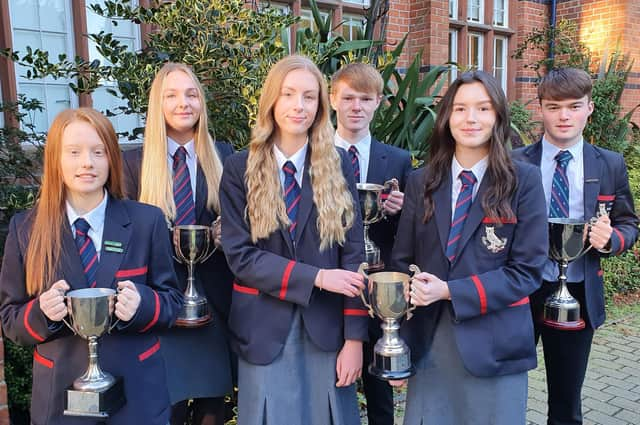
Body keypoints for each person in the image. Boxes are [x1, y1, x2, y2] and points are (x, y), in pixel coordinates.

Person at [0, 108, 182, 425]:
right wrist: (41, 313)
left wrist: (142, 304)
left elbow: (171, 302)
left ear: (111, 158)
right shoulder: (26, 230)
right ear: (56, 159)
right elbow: (10, 320)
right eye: (74, 152)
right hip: (61, 399)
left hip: (137, 396)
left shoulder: (145, 221)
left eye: (98, 152)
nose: (87, 162)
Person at [391, 71, 548, 424]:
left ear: (498, 117)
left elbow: (527, 272)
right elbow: (403, 263)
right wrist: (397, 343)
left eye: (483, 108)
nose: (471, 118)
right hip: (429, 344)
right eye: (460, 108)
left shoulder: (523, 181)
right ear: (447, 117)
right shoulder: (421, 181)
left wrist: (449, 291)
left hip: (494, 344)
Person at [219, 55, 368, 425]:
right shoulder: (240, 168)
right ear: (272, 99)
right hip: (263, 328)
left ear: (320, 105)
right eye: (288, 94)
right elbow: (240, 257)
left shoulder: (337, 163)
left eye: (309, 96)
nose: (298, 106)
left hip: (327, 329)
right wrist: (316, 277)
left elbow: (353, 254)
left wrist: (355, 339)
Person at [512, 67, 639, 425]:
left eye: (573, 106)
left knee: (566, 403)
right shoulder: (515, 161)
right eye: (554, 106)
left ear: (590, 108)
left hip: (578, 291)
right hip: (519, 290)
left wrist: (611, 239)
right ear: (540, 108)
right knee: (504, 390)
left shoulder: (609, 163)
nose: (564, 116)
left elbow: (630, 223)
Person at [121, 62, 234, 425]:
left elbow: (248, 227)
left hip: (216, 306)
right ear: (158, 104)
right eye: (171, 95)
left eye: (191, 93)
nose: (183, 103)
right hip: (160, 308)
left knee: (212, 413)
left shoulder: (225, 156)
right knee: (164, 411)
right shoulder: (133, 164)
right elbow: (121, 239)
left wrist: (226, 234)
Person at [330, 62, 412, 425]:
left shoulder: (397, 160)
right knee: (332, 383)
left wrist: (399, 210)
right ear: (333, 99)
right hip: (331, 283)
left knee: (380, 389)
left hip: (379, 286)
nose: (356, 107)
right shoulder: (313, 156)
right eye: (348, 98)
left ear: (379, 102)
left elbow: (410, 231)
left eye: (365, 99)